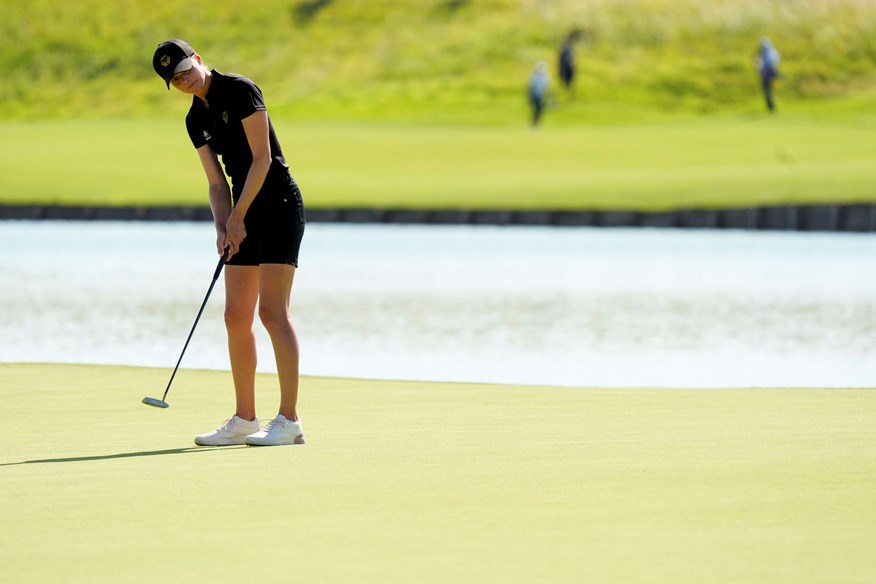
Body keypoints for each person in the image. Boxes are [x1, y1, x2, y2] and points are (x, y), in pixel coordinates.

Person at [152, 39, 306, 447]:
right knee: (236, 317)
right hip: (242, 212)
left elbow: (263, 159)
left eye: (186, 70)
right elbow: (216, 182)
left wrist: (239, 217)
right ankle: (244, 418)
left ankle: (289, 420)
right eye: (175, 79)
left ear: (198, 60)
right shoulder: (193, 120)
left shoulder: (240, 89)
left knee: (273, 313)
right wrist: (223, 226)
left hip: (278, 206)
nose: (184, 80)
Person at [755, 37, 780, 112]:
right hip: (766, 73)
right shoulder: (768, 52)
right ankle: (770, 107)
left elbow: (770, 64)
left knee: (767, 90)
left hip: (768, 73)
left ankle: (771, 107)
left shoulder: (769, 52)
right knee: (767, 90)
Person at [528, 60, 551, 127]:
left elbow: (545, 88)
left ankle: (536, 123)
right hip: (535, 96)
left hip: (539, 96)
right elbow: (531, 87)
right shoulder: (535, 76)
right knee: (538, 110)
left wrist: (546, 95)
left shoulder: (544, 76)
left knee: (539, 110)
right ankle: (535, 124)